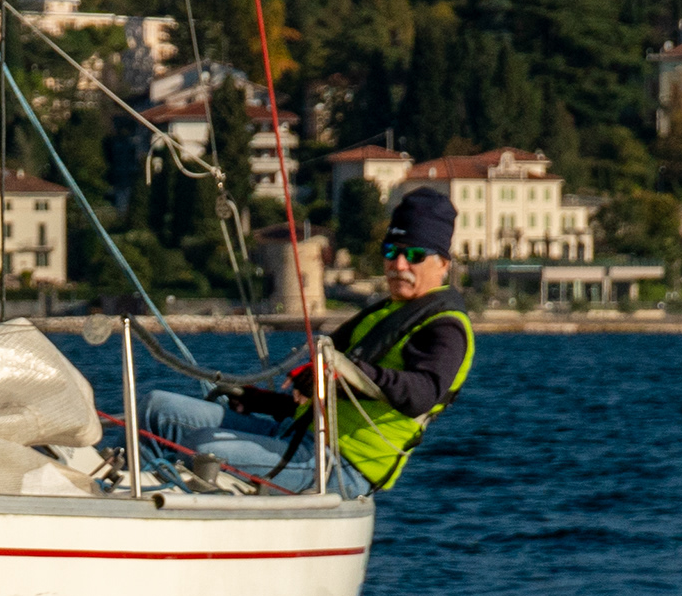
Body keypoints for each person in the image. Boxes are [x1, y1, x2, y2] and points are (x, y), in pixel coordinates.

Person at [137, 187, 475, 495]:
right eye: (391, 251)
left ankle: (161, 511)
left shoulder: (444, 328)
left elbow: (421, 393)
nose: (399, 264)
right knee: (157, 408)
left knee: (202, 450)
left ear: (443, 263)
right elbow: (327, 396)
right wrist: (261, 401)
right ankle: (132, 495)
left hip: (342, 466)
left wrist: (347, 370)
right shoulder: (385, 312)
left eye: (414, 255)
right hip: (296, 434)